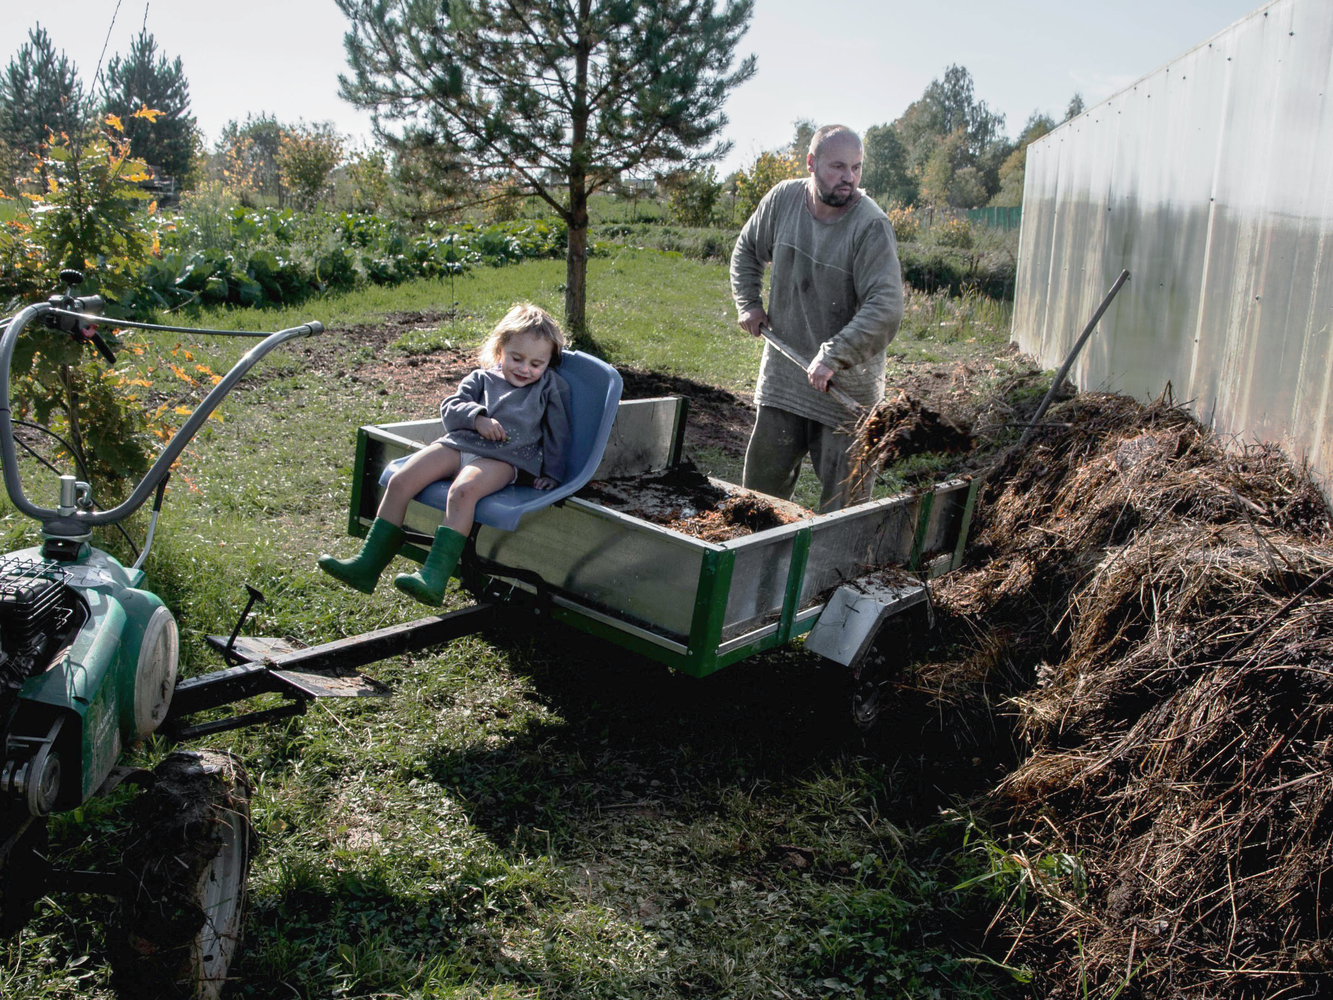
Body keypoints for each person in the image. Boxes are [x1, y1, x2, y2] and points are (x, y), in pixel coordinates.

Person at [318, 303, 573, 606]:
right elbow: (450, 409)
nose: (525, 369)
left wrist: (553, 475)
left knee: (463, 491)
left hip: (506, 459)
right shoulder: (481, 379)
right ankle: (366, 565)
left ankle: (433, 577)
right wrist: (478, 419)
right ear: (500, 349)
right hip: (460, 444)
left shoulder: (549, 387)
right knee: (401, 480)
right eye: (517, 358)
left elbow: (559, 432)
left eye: (536, 363)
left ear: (548, 362)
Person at [730, 124, 904, 512]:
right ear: (811, 163)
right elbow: (746, 250)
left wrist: (834, 355)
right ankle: (754, 567)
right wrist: (749, 302)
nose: (850, 179)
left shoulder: (870, 226)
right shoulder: (783, 201)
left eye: (857, 168)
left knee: (843, 514)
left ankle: (832, 575)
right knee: (758, 499)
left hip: (846, 392)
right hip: (785, 379)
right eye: (838, 166)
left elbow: (886, 307)